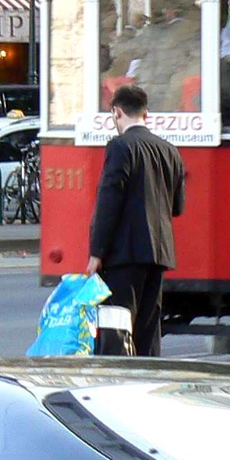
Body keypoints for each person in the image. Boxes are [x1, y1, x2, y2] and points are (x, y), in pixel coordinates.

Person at [86, 84, 187, 356]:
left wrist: (97, 253)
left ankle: (119, 383)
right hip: (159, 253)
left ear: (117, 112)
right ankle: (149, 379)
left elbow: (109, 202)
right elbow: (178, 206)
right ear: (146, 114)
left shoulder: (120, 147)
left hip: (123, 254)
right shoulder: (170, 150)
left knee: (117, 326)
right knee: (148, 328)